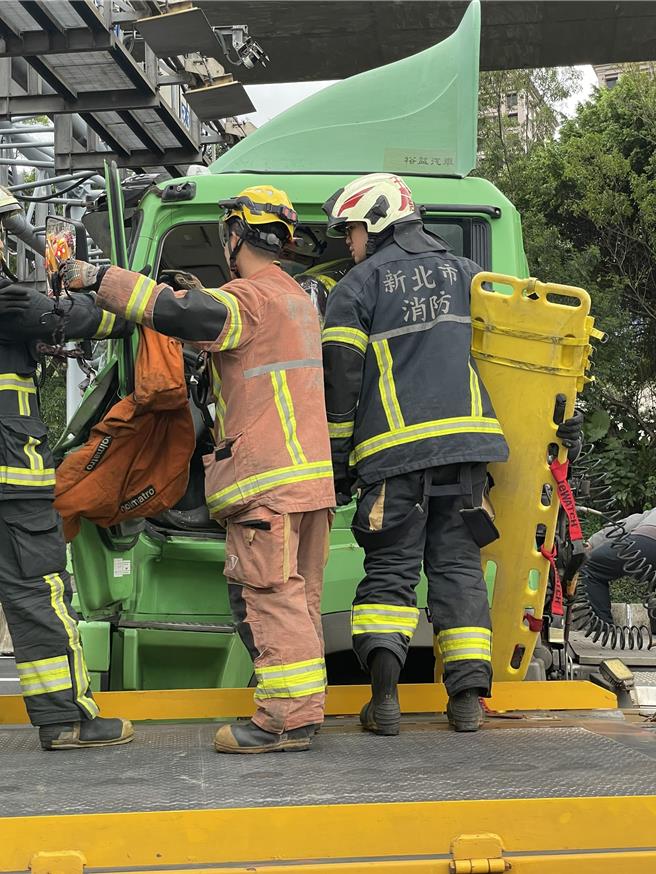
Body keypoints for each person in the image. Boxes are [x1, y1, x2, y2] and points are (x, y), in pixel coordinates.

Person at [60, 185, 336, 754]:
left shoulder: (250, 298)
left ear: (234, 235)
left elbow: (182, 313)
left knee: (268, 596)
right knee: (299, 599)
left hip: (267, 484)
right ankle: (302, 711)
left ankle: (284, 722)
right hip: (309, 483)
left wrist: (97, 278)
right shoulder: (295, 300)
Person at [321, 172, 510, 735]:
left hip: (393, 458)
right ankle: (469, 703)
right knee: (458, 571)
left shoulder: (357, 287)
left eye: (351, 229)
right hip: (468, 454)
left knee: (389, 572)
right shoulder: (470, 277)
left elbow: (341, 385)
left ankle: (383, 703)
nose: (349, 241)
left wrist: (336, 464)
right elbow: (515, 354)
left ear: (376, 221)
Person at [0, 270, 133, 750]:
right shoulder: (9, 302)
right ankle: (67, 719)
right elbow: (71, 318)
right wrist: (134, 308)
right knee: (38, 596)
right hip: (12, 482)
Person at [582, 509, 656, 625]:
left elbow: (623, 526)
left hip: (644, 542)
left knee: (591, 565)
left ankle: (603, 626)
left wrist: (591, 543)